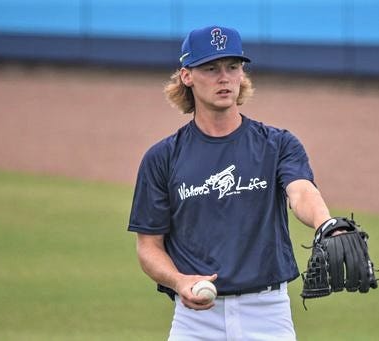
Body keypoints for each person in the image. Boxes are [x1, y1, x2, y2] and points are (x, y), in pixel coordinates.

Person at [127, 25, 340, 341]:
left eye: (232, 66)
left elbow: (301, 191)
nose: (223, 77)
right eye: (210, 68)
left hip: (268, 314)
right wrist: (177, 280)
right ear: (187, 75)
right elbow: (149, 246)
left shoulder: (277, 144)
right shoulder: (163, 158)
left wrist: (327, 224)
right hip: (195, 321)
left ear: (242, 74)